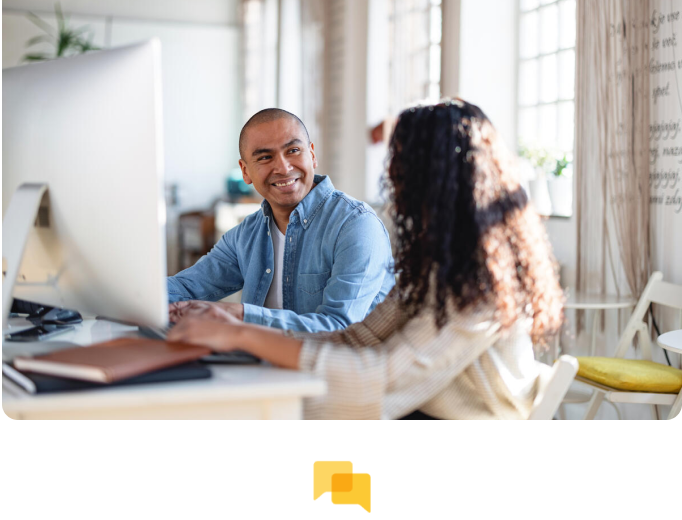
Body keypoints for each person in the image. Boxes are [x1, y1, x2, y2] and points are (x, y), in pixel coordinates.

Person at [168, 99, 565, 420]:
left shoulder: (483, 285)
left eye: (403, 170)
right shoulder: (439, 265)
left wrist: (239, 332)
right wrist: (239, 331)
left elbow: (378, 380)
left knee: (327, 481)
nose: (394, 183)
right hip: (416, 409)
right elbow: (357, 337)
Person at [167, 108, 394, 332]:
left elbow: (339, 329)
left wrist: (241, 316)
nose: (284, 168)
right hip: (263, 365)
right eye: (265, 157)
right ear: (245, 171)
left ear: (312, 155)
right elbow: (185, 287)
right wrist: (137, 295)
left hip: (333, 367)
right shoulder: (245, 235)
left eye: (293, 150)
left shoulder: (356, 226)